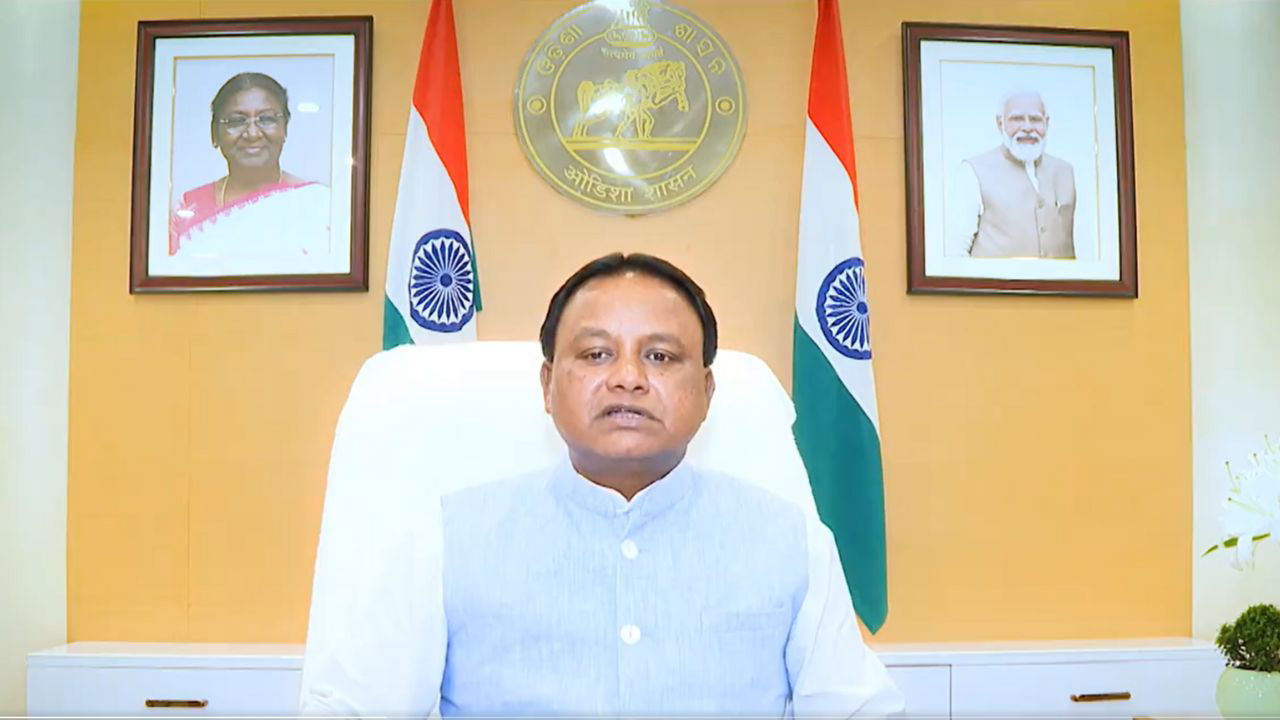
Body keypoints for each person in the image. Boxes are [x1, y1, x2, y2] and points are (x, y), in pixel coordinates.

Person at [426, 253, 902, 715]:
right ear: (548, 384)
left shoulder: (792, 543)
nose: (628, 378)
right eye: (596, 354)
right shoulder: (444, 541)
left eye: (660, 356)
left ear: (707, 392)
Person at [169, 72, 329, 261]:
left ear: (284, 128)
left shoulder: (319, 206)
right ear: (214, 134)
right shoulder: (186, 209)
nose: (252, 134)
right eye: (236, 121)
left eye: (267, 119)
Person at [948, 90, 1076, 259]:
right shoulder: (973, 171)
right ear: (1000, 123)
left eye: (1035, 119)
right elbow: (955, 253)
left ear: (1047, 123)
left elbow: (1087, 249)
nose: (1027, 127)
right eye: (1017, 119)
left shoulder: (1066, 171)